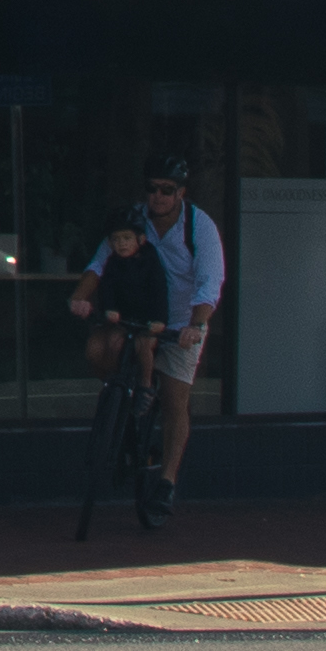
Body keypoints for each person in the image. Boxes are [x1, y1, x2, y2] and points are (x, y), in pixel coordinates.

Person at [65, 159, 224, 529]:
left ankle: (166, 481)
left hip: (180, 323)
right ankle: (121, 409)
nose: (158, 196)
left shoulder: (199, 227)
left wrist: (196, 325)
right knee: (97, 350)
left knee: (173, 399)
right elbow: (99, 264)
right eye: (152, 188)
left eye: (167, 190)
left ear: (181, 193)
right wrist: (80, 297)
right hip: (135, 318)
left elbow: (209, 282)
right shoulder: (133, 221)